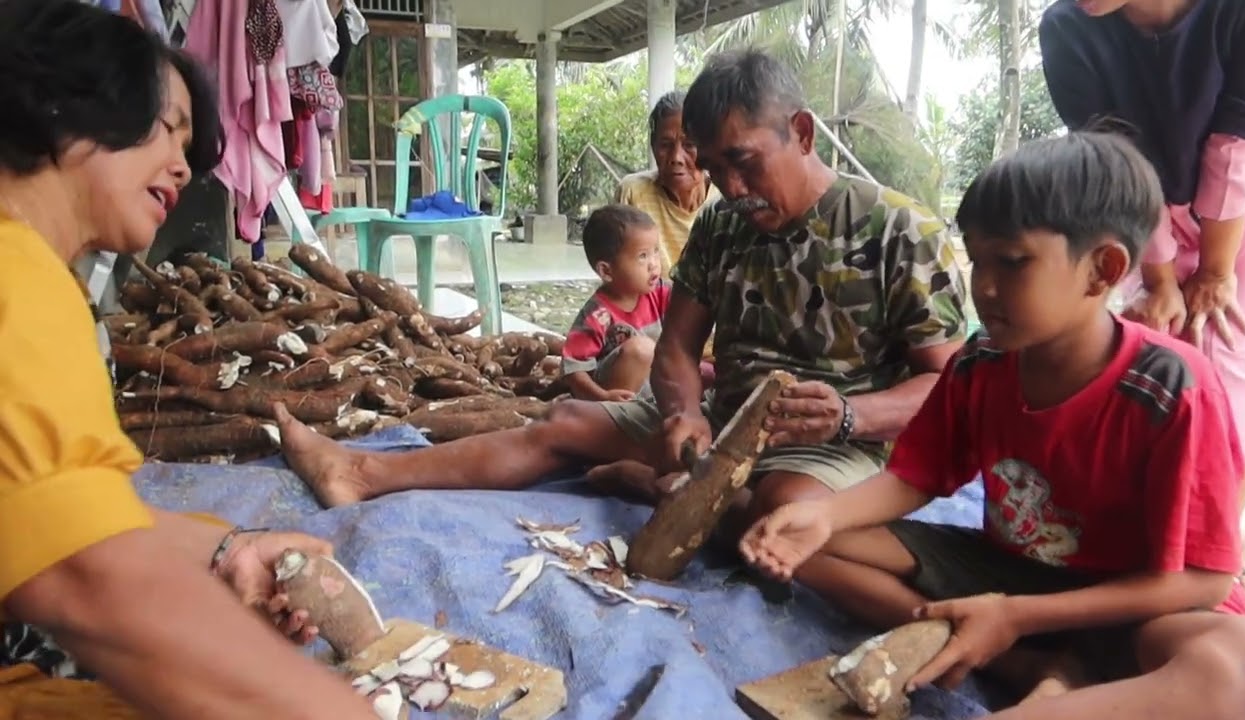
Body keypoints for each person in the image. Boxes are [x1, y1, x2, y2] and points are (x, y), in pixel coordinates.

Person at [273, 49, 967, 541]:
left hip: (830, 444)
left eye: (745, 162)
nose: (730, 187)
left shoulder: (899, 230)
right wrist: (683, 413)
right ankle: (363, 473)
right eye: (715, 167)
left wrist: (847, 415)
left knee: (781, 508)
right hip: (726, 420)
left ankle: (653, 484)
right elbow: (675, 350)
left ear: (803, 133)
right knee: (564, 424)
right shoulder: (725, 225)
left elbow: (952, 388)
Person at [739, 131, 1245, 720]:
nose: (985, 285)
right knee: (800, 541)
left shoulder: (1172, 388)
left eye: (1013, 262)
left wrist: (1016, 614)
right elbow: (917, 476)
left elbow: (1203, 582)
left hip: (1136, 603)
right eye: (977, 259)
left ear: (1103, 270)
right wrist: (823, 515)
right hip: (1020, 573)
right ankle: (1031, 668)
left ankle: (1044, 674)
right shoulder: (982, 361)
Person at [0, 2, 377, 718]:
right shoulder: (15, 278)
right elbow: (87, 578)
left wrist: (228, 550)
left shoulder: (45, 281)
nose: (183, 166)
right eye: (167, 131)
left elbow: (51, 519)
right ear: (68, 109)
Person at [1039, 0, 1245, 506]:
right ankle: (1147, 529)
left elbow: (1235, 146)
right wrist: (1160, 281)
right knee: (1157, 341)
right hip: (1143, 197)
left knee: (1227, 342)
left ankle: (1215, 554)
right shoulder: (1066, 29)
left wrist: (1216, 271)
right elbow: (1118, 161)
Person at [561, 204, 670, 402]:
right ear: (606, 271)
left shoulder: (661, 292)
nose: (654, 263)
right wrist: (602, 396)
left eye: (655, 251)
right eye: (642, 256)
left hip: (653, 389)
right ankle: (614, 418)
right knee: (642, 350)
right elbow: (573, 369)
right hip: (610, 396)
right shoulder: (597, 314)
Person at [615, 90, 720, 275]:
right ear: (653, 147)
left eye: (689, 145)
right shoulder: (634, 193)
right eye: (665, 145)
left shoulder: (724, 199)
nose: (676, 158)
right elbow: (620, 274)